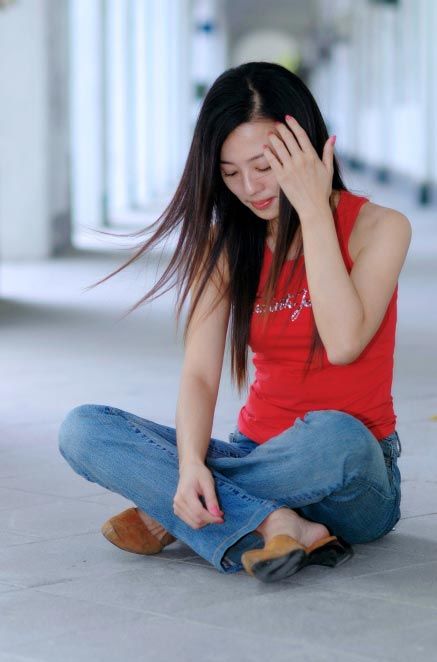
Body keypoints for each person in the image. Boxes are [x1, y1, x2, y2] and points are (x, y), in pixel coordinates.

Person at [58, 61, 411, 583]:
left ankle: (182, 512)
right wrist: (189, 465)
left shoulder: (381, 227)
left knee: (338, 434)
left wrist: (315, 211)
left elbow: (343, 344)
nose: (249, 188)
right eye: (229, 173)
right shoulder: (225, 245)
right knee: (83, 430)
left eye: (264, 166)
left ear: (306, 149)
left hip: (350, 474)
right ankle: (278, 522)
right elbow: (200, 374)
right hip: (255, 449)